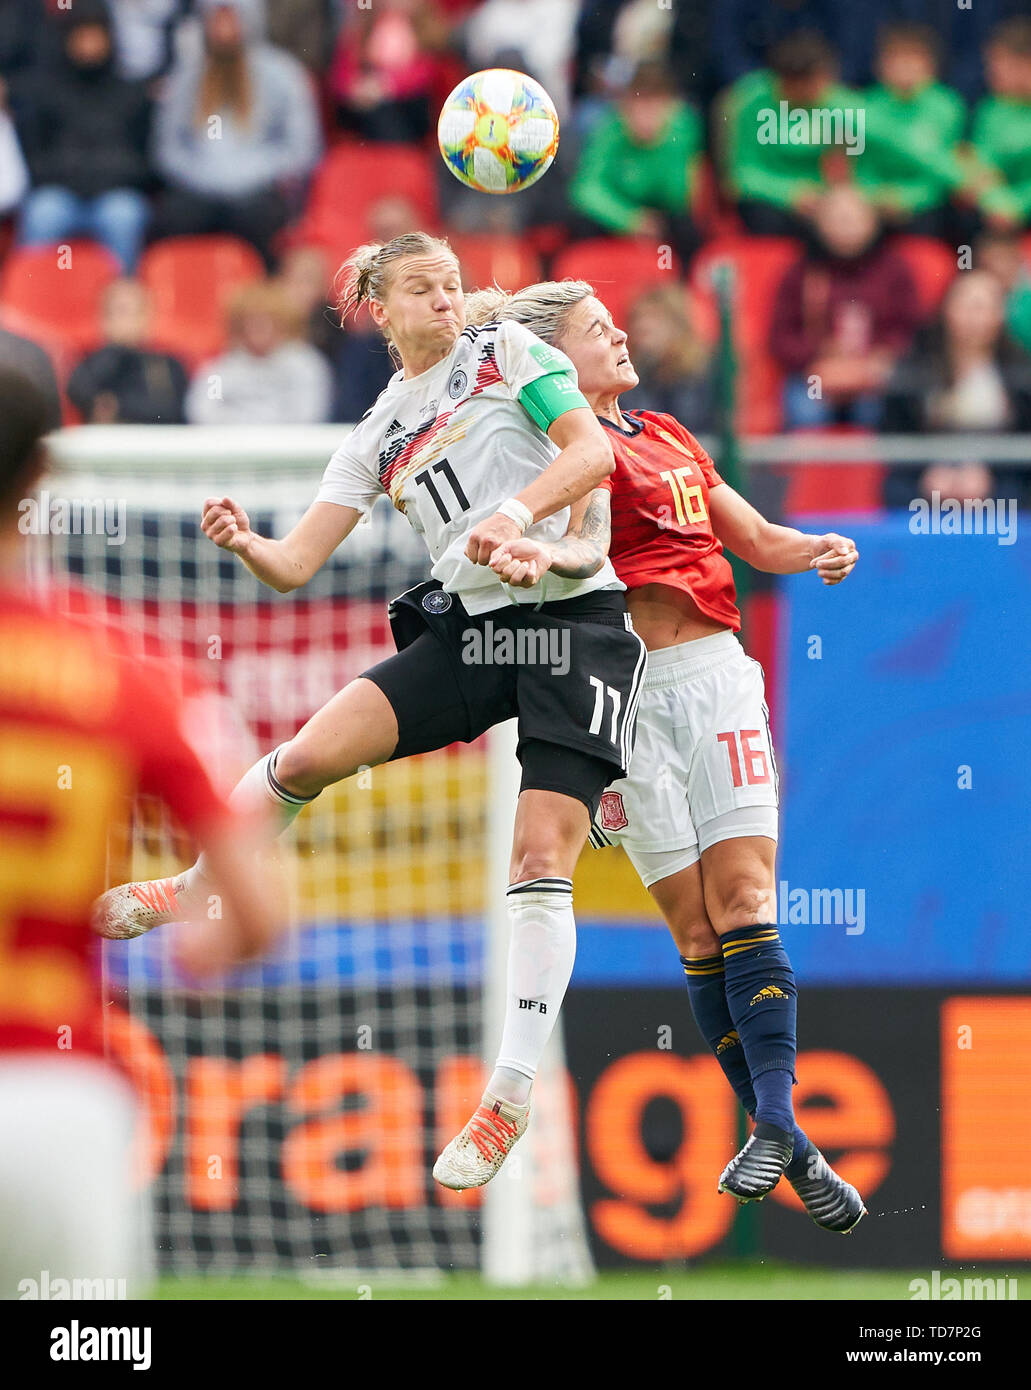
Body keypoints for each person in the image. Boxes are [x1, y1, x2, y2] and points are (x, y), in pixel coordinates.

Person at [93, 231, 646, 1192]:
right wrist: (245, 544)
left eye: (451, 284)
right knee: (307, 755)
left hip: (568, 624)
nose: (444, 299)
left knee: (537, 855)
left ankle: (507, 1095)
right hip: (473, 628)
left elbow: (590, 451)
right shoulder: (379, 429)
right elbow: (296, 566)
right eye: (421, 289)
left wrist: (513, 519)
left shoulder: (512, 354)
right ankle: (193, 885)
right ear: (380, 313)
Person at [466, 279, 865, 1229]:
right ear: (556, 362)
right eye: (597, 330)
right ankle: (789, 1139)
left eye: (613, 324)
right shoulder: (554, 455)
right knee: (694, 933)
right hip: (623, 697)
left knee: (746, 903)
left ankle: (772, 1121)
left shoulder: (675, 438)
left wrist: (813, 547)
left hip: (718, 676)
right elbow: (566, 552)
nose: (619, 334)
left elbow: (757, 539)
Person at [0, 363, 282, 1300]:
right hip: (57, 1106)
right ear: (41, 476)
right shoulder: (130, 677)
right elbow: (260, 913)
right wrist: (194, 955)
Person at [151, 0, 322, 268]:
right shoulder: (188, 75)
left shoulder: (283, 74)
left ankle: (262, 295)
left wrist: (250, 173)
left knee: (258, 218)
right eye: (216, 20)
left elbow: (302, 147)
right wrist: (204, 176)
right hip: (197, 186)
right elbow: (167, 147)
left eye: (231, 19)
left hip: (258, 188)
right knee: (174, 217)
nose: (223, 30)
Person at [15, 0, 152, 272]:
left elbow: (145, 160)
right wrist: (73, 179)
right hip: (60, 194)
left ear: (109, 38)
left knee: (124, 215)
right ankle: (31, 299)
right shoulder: (45, 92)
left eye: (95, 35)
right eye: (82, 35)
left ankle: (120, 302)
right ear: (68, 39)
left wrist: (104, 180)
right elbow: (32, 156)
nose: (89, 44)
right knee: (42, 213)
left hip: (114, 194)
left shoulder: (132, 93)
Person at [770, 186, 920, 429]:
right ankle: (806, 467)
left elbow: (910, 328)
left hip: (876, 377)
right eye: (837, 219)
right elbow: (781, 338)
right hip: (818, 375)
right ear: (819, 224)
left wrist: (882, 356)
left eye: (853, 218)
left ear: (872, 221)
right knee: (806, 410)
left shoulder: (894, 269)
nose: (846, 227)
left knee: (880, 410)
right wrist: (820, 353)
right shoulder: (802, 272)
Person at [882, 268, 1031, 508]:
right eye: (966, 306)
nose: (974, 318)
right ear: (946, 309)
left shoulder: (1020, 371)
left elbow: (1023, 443)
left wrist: (989, 472)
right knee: (896, 491)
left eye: (982, 307)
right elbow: (893, 434)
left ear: (1000, 314)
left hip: (1001, 478)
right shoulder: (915, 365)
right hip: (924, 474)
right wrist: (927, 470)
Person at [719, 31, 855, 237]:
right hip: (770, 201)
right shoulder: (750, 103)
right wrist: (790, 194)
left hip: (825, 201)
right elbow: (741, 174)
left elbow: (855, 168)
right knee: (764, 219)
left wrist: (830, 197)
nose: (819, 88)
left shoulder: (843, 105)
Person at [569, 59, 702, 264]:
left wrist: (660, 144)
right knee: (581, 224)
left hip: (661, 211)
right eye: (639, 104)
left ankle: (680, 286)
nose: (645, 116)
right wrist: (631, 220)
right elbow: (586, 189)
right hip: (617, 210)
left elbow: (679, 196)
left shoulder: (683, 128)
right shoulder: (609, 129)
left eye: (655, 105)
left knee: (687, 230)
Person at [854, 23, 969, 239]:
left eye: (912, 61)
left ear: (930, 66)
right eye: (896, 60)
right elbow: (861, 166)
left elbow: (948, 168)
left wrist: (905, 199)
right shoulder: (866, 105)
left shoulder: (947, 106)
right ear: (880, 65)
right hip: (874, 203)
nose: (904, 68)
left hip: (927, 204)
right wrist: (876, 196)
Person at [184, 279, 333, 425]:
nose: (259, 328)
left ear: (283, 324)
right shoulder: (219, 371)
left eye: (267, 321)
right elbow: (203, 411)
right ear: (239, 326)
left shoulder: (306, 366)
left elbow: (310, 413)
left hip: (288, 447)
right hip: (233, 445)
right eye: (252, 321)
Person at [67, 278, 188, 424]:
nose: (130, 321)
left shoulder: (167, 365)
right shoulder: (92, 361)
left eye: (137, 312)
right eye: (121, 311)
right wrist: (115, 350)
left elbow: (171, 411)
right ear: (103, 318)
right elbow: (78, 392)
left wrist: (119, 407)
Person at [621, 284, 715, 430]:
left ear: (678, 325)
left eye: (655, 317)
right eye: (638, 318)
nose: (643, 326)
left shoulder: (704, 371)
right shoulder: (630, 371)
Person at [970, 17, 1031, 231]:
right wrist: (997, 202)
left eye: (997, 62)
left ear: (1025, 63)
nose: (989, 72)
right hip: (999, 222)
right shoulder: (991, 109)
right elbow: (981, 167)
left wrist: (1018, 205)